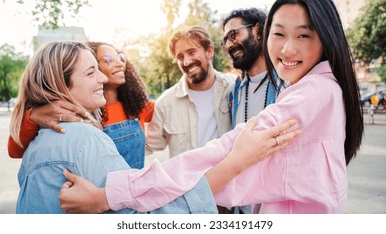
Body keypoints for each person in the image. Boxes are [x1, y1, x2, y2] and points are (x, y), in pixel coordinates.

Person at [58, 0, 363, 214]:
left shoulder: (265, 90)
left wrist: (107, 195)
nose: (287, 49)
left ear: (208, 52)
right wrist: (52, 109)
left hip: (213, 192)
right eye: (279, 35)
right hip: (207, 196)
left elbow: (219, 152)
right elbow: (146, 141)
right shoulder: (185, 99)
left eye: (304, 35)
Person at [10, 41, 300, 213]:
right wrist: (235, 163)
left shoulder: (42, 140)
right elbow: (148, 217)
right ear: (60, 83)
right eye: (93, 70)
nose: (103, 76)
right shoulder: (85, 139)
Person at [8, 41, 154, 169]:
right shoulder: (71, 112)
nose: (121, 63)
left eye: (121, 58)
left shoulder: (136, 106)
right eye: (108, 59)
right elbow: (15, 150)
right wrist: (32, 117)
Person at [220, 8, 281, 214]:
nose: (228, 45)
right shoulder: (233, 92)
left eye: (233, 35)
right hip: (241, 206)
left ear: (257, 30)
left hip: (275, 204)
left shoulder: (287, 84)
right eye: (225, 41)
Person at [146, 26, 234, 158]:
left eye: (192, 52)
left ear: (209, 51)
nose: (186, 62)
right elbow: (148, 147)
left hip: (227, 176)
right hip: (186, 179)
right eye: (180, 57)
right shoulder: (165, 103)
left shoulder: (233, 88)